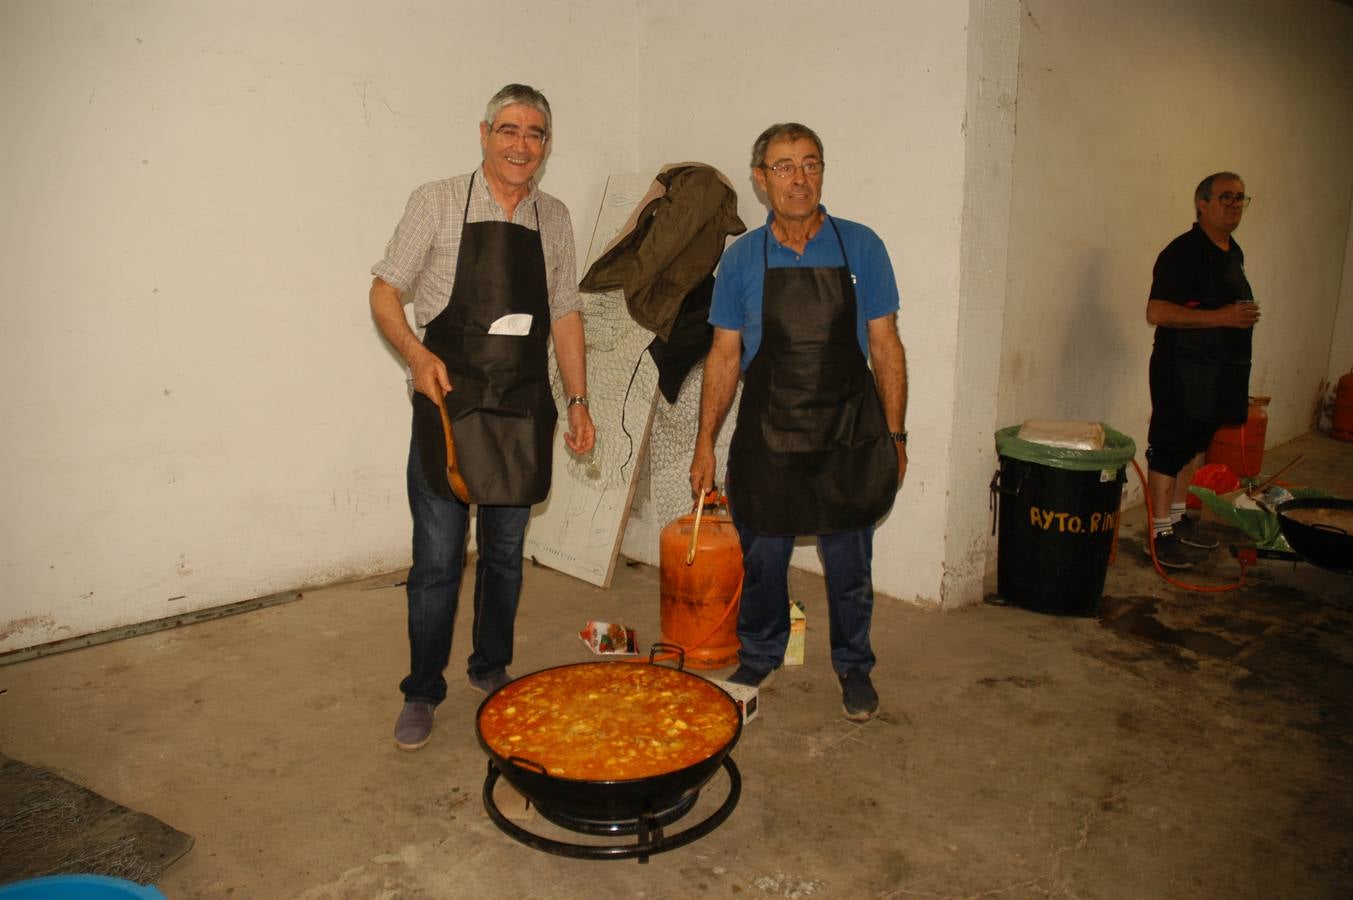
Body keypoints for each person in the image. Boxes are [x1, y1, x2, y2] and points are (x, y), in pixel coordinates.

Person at [369, 84, 595, 751]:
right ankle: (421, 689)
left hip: (521, 406)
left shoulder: (552, 218)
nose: (521, 145)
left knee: (504, 556)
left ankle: (490, 666)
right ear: (484, 133)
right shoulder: (436, 201)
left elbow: (566, 313)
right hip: (447, 407)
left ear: (546, 145)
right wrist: (415, 356)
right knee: (438, 559)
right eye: (509, 130)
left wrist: (579, 400)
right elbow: (385, 291)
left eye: (535, 134)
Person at [689, 123, 907, 722]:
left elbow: (885, 347)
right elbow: (724, 356)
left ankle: (854, 665)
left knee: (849, 565)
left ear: (822, 173)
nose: (798, 178)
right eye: (783, 166)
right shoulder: (739, 261)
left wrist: (896, 434)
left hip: (848, 436)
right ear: (761, 180)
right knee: (762, 560)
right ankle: (759, 653)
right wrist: (705, 442)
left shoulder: (861, 247)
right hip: (770, 437)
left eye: (810, 164)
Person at [1145, 172, 1259, 569]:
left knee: (1194, 445)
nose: (1233, 204)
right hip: (1181, 368)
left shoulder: (1231, 250)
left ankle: (1177, 520)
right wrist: (1224, 317)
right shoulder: (1183, 252)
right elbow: (1157, 311)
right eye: (1225, 196)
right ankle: (1159, 534)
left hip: (1216, 373)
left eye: (1241, 198)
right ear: (1202, 203)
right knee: (1169, 445)